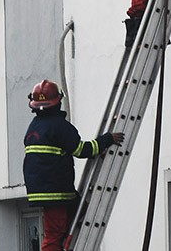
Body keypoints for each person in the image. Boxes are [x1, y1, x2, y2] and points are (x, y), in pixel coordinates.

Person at [22, 80, 125, 251]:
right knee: (54, 235)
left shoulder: (34, 127)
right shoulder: (60, 127)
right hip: (56, 192)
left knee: (80, 210)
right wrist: (106, 140)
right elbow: (81, 150)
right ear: (58, 102)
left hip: (45, 191)